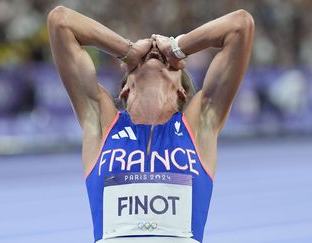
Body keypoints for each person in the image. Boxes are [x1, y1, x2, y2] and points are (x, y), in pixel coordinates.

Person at [47, 5, 254, 243]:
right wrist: (127, 50)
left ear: (181, 92)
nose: (154, 53)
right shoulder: (102, 123)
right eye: (143, 59)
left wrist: (178, 48)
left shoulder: (198, 126)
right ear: (125, 89)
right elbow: (60, 21)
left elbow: (240, 25)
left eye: (165, 60)